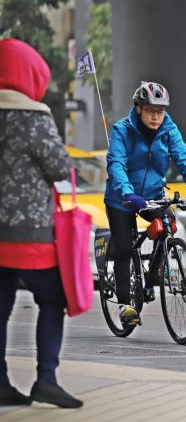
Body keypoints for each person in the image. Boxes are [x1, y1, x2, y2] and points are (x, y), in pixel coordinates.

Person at [0, 38, 82, 408]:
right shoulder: (34, 116)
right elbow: (60, 167)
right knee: (53, 298)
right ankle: (46, 378)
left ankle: (1, 383)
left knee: (0, 305)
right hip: (30, 234)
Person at [105, 81, 186, 327]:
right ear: (138, 109)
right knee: (123, 247)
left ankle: (150, 283)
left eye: (160, 111)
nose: (156, 116)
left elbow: (185, 159)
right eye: (151, 110)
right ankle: (126, 306)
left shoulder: (169, 131)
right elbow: (116, 164)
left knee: (168, 227)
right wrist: (128, 193)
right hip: (122, 198)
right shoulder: (122, 130)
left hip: (152, 195)